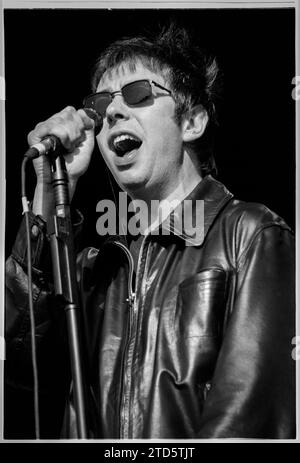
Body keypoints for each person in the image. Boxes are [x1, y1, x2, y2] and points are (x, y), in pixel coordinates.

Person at [5, 24, 295, 439]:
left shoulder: (250, 234)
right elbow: (18, 365)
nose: (114, 113)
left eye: (139, 94)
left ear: (192, 122)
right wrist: (49, 187)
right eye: (101, 105)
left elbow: (251, 417)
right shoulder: (91, 269)